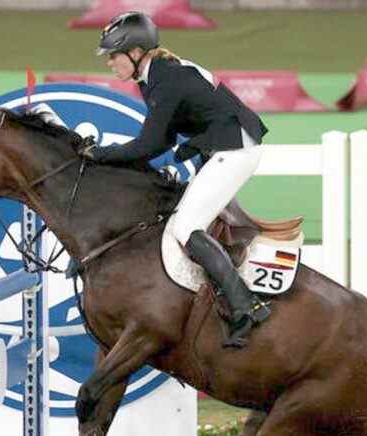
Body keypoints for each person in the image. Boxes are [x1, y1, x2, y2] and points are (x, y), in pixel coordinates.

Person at [79, 11, 270, 348]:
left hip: (235, 149)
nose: (110, 63)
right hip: (225, 145)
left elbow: (149, 145)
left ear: (136, 53)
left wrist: (99, 154)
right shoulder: (154, 76)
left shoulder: (165, 79)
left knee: (185, 228)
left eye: (113, 55)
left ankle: (246, 308)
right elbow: (164, 140)